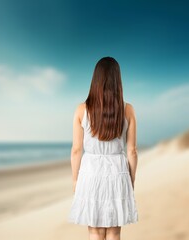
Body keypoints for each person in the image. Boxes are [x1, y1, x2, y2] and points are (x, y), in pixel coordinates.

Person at [68, 56, 139, 240]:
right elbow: (132, 150)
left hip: (90, 171)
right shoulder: (128, 109)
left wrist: (75, 180)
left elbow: (76, 150)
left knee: (95, 231)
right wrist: (131, 180)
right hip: (118, 170)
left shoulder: (81, 110)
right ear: (118, 80)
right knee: (114, 231)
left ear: (95, 79)